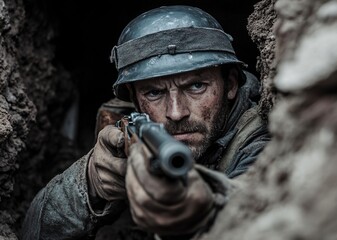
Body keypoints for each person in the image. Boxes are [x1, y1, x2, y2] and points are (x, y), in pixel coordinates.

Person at [22, 5, 270, 240]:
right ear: (134, 100)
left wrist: (202, 212)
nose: (175, 113)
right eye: (154, 93)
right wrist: (90, 183)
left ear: (231, 84)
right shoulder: (126, 126)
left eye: (196, 86)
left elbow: (266, 214)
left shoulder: (262, 137)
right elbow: (32, 232)